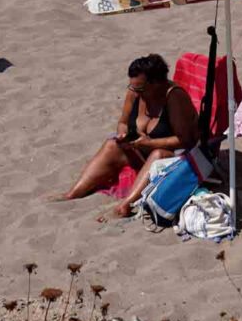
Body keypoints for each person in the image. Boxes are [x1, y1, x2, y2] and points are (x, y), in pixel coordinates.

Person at [52, 53, 204, 208]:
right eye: (133, 87)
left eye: (141, 88)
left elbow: (185, 140)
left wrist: (151, 143)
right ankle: (73, 193)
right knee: (112, 144)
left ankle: (124, 206)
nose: (135, 92)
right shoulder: (135, 92)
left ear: (157, 83)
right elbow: (123, 122)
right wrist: (122, 135)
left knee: (157, 154)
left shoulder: (174, 98)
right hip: (142, 152)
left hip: (175, 157)